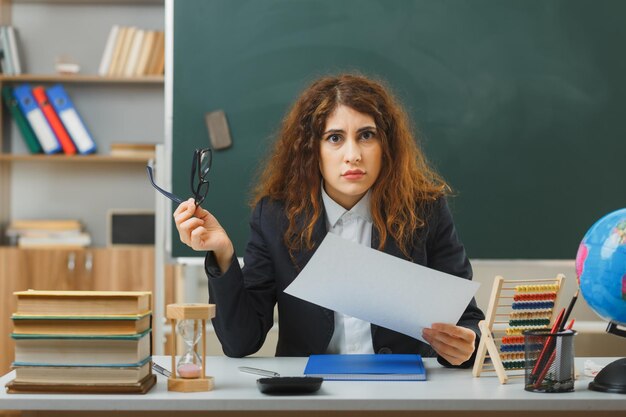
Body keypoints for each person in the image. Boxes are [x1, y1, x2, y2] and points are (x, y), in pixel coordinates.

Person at [174, 73, 485, 367]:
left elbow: (468, 321)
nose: (353, 155)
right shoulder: (275, 218)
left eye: (366, 135)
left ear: (386, 147)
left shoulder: (425, 211)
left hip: (403, 394)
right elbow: (240, 342)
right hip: (312, 398)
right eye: (335, 138)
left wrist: (467, 345)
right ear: (313, 150)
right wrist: (223, 255)